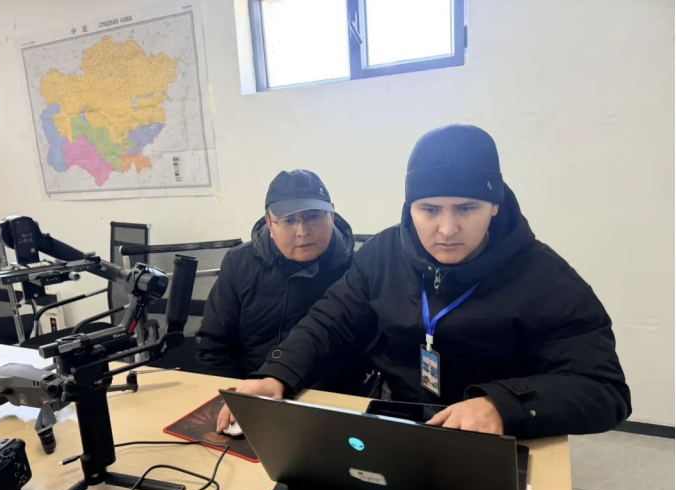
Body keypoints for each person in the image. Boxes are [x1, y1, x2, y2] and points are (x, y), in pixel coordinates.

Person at [217, 125, 631, 440]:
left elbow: (604, 390)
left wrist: (503, 406)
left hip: (495, 436)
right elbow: (329, 322)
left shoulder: (545, 277)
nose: (447, 229)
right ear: (410, 206)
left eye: (466, 208)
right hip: (399, 423)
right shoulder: (381, 254)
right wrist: (277, 375)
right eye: (429, 209)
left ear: (494, 205)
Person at [197, 170, 357, 385]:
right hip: (252, 389)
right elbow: (213, 347)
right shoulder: (239, 263)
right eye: (289, 220)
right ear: (270, 224)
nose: (302, 231)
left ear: (332, 216)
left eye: (313, 216)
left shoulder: (356, 269)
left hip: (333, 394)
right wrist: (235, 396)